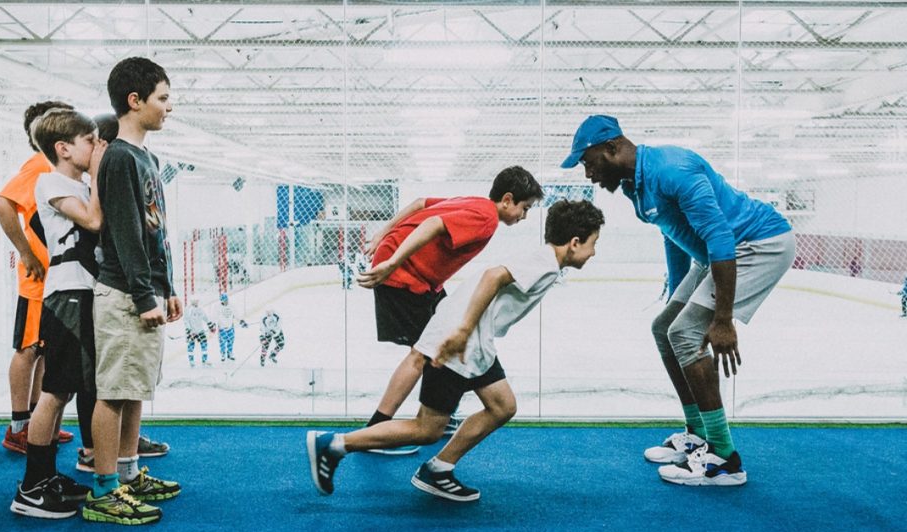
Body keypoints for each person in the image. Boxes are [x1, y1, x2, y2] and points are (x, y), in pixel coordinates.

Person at [307, 200, 604, 502]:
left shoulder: (546, 262)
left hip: (473, 341)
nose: (593, 252)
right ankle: (335, 444)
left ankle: (438, 468)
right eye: (593, 244)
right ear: (575, 242)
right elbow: (492, 276)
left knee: (502, 407)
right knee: (427, 429)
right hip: (461, 342)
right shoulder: (544, 262)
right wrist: (462, 331)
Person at [561, 115, 795, 487]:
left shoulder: (672, 170)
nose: (588, 175)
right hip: (714, 253)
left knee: (685, 333)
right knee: (664, 328)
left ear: (612, 148)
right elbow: (673, 233)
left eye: (589, 163)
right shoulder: (632, 186)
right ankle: (697, 436)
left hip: (757, 245)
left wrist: (722, 320)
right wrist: (675, 294)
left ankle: (724, 459)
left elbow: (720, 235)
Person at [356, 166, 544, 454]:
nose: (524, 216)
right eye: (524, 208)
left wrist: (384, 232)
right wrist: (393, 262)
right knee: (422, 353)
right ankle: (376, 431)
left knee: (440, 341)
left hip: (420, 278)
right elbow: (432, 224)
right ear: (507, 200)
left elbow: (420, 203)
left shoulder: (474, 202)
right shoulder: (486, 218)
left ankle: (438, 414)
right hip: (404, 275)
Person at [85, 57, 181, 525]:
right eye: (163, 98)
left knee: (135, 387)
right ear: (135, 101)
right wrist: (145, 297)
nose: (170, 107)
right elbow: (123, 233)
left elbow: (155, 230)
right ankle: (104, 490)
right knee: (113, 391)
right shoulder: (121, 157)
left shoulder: (148, 157)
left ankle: (127, 472)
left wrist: (168, 287)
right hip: (123, 294)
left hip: (143, 291)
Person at [9, 109, 106, 519]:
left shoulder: (78, 183)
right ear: (63, 148)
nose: (96, 147)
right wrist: (101, 172)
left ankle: (46, 476)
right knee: (56, 390)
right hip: (66, 295)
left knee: (68, 388)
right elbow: (93, 220)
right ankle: (32, 486)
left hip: (84, 293)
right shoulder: (50, 181)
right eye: (90, 141)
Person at [0, 101, 75, 453]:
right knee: (28, 349)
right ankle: (17, 428)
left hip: (54, 279)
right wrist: (26, 253)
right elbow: (2, 204)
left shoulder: (56, 168)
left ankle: (37, 422)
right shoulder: (38, 164)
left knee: (43, 351)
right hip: (37, 281)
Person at [183, 298, 213, 367]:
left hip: (200, 330)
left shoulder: (200, 308)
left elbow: (205, 317)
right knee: (191, 346)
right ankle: (191, 361)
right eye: (196, 301)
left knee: (204, 345)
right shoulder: (188, 309)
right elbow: (186, 320)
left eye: (197, 301)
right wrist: (189, 330)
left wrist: (210, 325)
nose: (197, 302)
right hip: (192, 331)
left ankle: (204, 360)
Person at [213, 293, 236, 361]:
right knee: (222, 342)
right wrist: (213, 324)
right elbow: (214, 317)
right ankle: (223, 354)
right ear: (221, 301)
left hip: (230, 327)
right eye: (224, 300)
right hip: (222, 328)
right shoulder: (217, 307)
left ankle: (230, 353)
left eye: (226, 300)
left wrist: (241, 321)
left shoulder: (231, 306)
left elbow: (236, 313)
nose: (226, 301)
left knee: (231, 341)